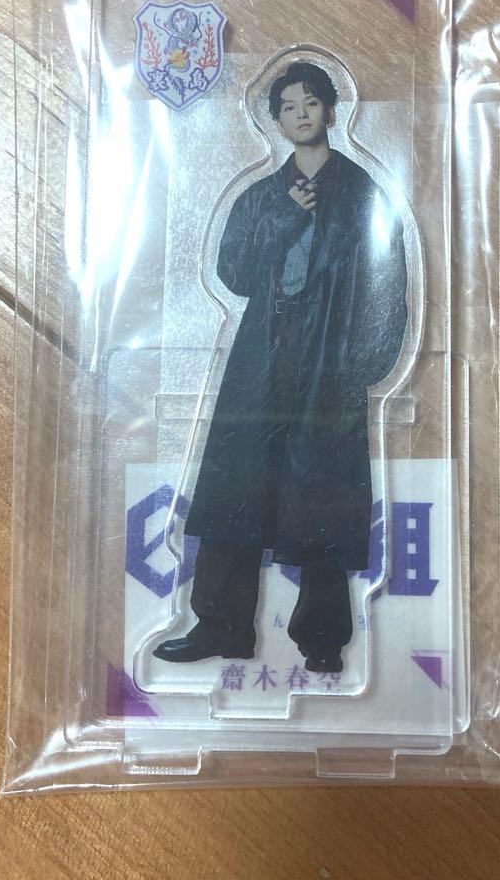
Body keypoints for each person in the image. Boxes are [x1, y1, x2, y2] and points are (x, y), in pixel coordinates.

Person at [154, 61, 408, 673]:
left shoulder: (364, 195)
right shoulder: (263, 196)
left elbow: (388, 285)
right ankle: (220, 625)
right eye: (288, 106)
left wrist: (361, 366)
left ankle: (323, 640)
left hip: (327, 367)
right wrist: (286, 216)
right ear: (275, 121)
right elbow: (235, 273)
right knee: (236, 490)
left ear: (330, 110)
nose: (301, 114)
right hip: (261, 360)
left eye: (310, 102)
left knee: (323, 500)